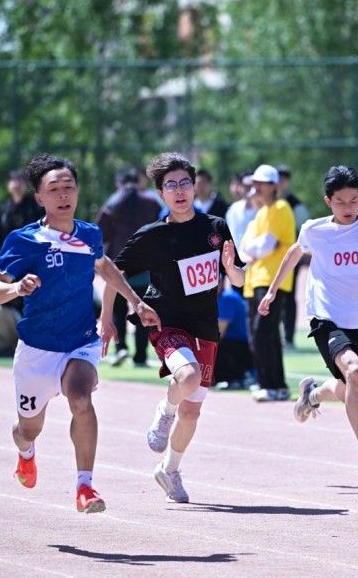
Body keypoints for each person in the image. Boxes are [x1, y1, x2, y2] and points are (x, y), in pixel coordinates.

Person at [0, 153, 160, 514]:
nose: (63, 195)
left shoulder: (90, 233)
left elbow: (104, 266)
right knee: (28, 429)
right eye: (54, 189)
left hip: (80, 339)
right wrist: (17, 287)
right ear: (40, 197)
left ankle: (85, 487)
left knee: (81, 398)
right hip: (37, 348)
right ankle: (25, 452)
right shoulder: (24, 240)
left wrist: (135, 301)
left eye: (69, 187)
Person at [99, 152, 245, 503]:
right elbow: (110, 270)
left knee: (192, 411)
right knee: (188, 378)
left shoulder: (215, 227)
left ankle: (170, 470)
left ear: (195, 187)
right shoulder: (152, 236)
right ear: (160, 193)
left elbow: (239, 278)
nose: (179, 191)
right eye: (170, 185)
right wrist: (107, 317)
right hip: (166, 321)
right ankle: (165, 412)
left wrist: (231, 269)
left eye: (184, 183)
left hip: (205, 325)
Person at [259, 165, 358, 475]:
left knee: (347, 385)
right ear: (328, 201)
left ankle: (312, 395)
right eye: (340, 201)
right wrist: (272, 291)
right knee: (354, 372)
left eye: (354, 200)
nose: (348, 207)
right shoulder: (315, 230)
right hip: (327, 317)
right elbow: (293, 253)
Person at [240, 164, 296, 402]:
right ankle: (276, 385)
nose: (256, 187)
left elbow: (263, 247)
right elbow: (245, 249)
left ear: (274, 185)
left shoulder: (280, 208)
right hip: (256, 280)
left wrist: (254, 249)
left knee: (262, 333)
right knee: (265, 335)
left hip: (272, 280)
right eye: (255, 183)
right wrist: (253, 249)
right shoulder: (261, 214)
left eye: (261, 183)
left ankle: (270, 384)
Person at [96, 167, 162, 368]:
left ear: (119, 183)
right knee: (142, 305)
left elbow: (102, 233)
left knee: (117, 307)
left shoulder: (113, 202)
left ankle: (121, 347)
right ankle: (140, 355)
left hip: (118, 264)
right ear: (139, 181)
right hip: (144, 263)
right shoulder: (151, 201)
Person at [276, 164, 309, 349]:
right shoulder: (267, 203)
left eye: (283, 178)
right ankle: (275, 337)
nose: (279, 182)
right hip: (270, 260)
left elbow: (304, 232)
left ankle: (288, 337)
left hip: (290, 258)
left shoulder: (296, 204)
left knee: (288, 297)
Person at [0, 170, 43, 253]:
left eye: (19, 181)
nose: (16, 185)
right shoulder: (3, 209)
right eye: (13, 182)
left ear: (26, 185)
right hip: (8, 252)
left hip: (33, 251)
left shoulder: (36, 206)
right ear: (8, 186)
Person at [213, 278, 252, 389]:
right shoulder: (221, 297)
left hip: (242, 347)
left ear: (221, 282)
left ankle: (241, 376)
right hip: (236, 344)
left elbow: (219, 333)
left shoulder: (227, 298)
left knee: (211, 346)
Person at [224, 172, 257, 245]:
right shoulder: (233, 209)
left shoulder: (263, 209)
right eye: (245, 186)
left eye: (251, 186)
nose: (248, 189)